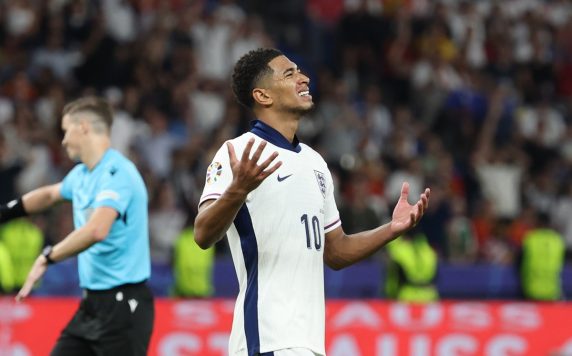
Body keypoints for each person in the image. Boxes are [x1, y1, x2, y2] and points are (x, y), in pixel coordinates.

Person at [194, 48, 430, 356]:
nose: (304, 78)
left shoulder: (315, 162)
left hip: (310, 342)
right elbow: (202, 234)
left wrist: (392, 229)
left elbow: (336, 250)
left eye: (300, 71)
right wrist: (238, 190)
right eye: (289, 73)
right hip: (266, 339)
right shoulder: (238, 152)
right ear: (263, 96)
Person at [0, 97, 154, 355]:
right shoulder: (83, 174)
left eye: (65, 130)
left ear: (83, 127)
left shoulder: (118, 174)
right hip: (91, 305)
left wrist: (48, 257)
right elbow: (49, 195)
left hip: (125, 307)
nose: (62, 140)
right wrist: (5, 213)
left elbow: (96, 230)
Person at [384, 230, 439, 303]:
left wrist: (390, 294)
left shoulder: (399, 251)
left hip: (407, 297)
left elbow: (393, 278)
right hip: (430, 296)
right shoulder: (429, 251)